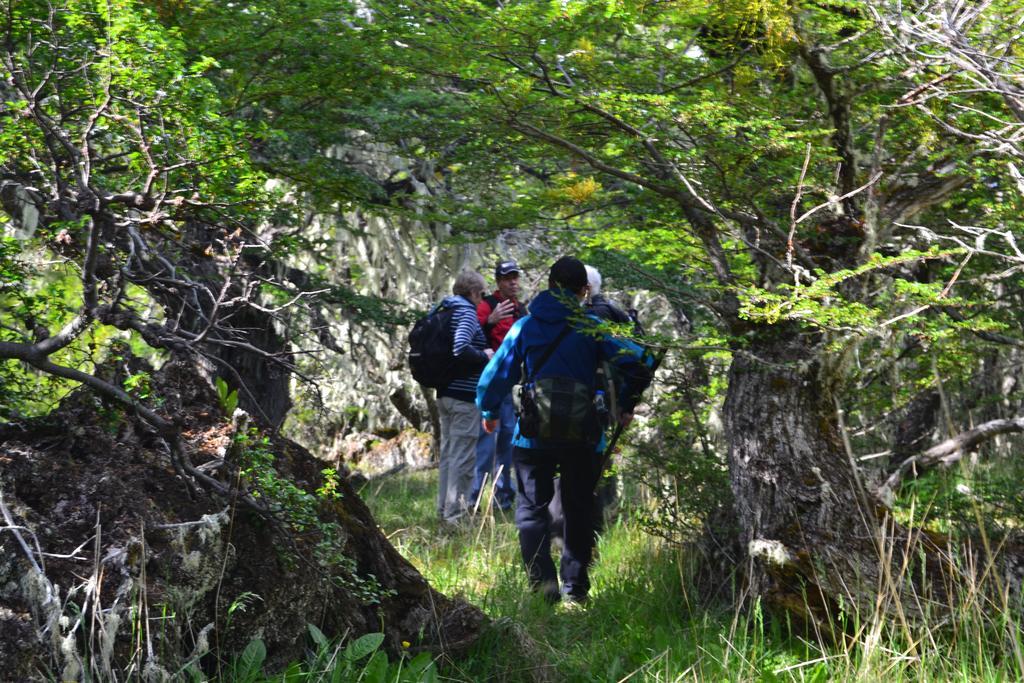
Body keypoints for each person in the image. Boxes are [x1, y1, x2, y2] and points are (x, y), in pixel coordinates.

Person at [476, 256, 651, 604]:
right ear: (584, 290)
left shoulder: (524, 327)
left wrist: (489, 409)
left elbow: (494, 376)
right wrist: (627, 403)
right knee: (578, 507)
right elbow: (639, 360)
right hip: (584, 434)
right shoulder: (593, 328)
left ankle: (544, 588)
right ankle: (575, 590)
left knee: (530, 509)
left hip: (532, 434)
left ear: (550, 285)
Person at [436, 270, 493, 525]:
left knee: (449, 454)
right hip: (463, 396)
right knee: (463, 456)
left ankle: (443, 510)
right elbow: (460, 347)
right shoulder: (466, 311)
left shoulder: (444, 308)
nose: (482, 299)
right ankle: (455, 517)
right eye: (481, 294)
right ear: (472, 292)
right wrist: (486, 356)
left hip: (445, 392)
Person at [471, 259, 528, 510]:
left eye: (515, 277)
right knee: (486, 440)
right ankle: (472, 497)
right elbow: (469, 336)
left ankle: (503, 497)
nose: (513, 282)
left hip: (514, 385)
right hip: (491, 382)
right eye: (507, 278)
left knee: (508, 439)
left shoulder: (521, 310)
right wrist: (490, 320)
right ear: (499, 282)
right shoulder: (487, 306)